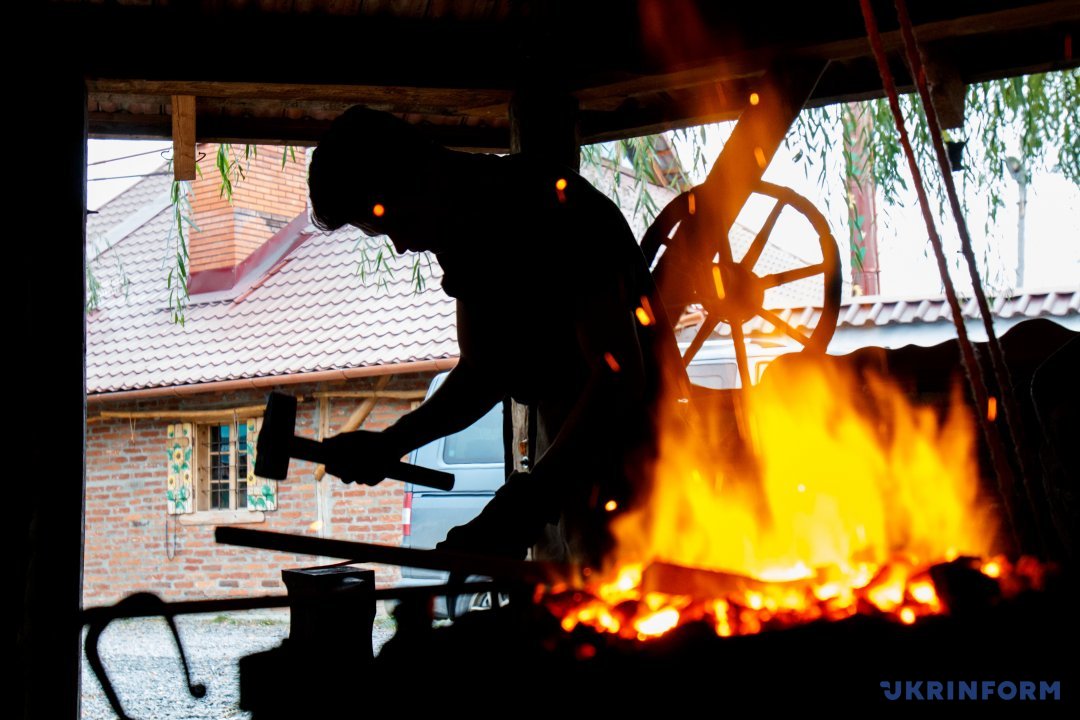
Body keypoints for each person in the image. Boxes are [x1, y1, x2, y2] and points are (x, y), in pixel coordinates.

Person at [309, 106, 682, 565]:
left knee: (636, 618)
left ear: (414, 172)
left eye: (391, 220)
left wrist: (525, 502)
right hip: (566, 459)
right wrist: (389, 445)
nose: (402, 245)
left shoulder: (549, 206)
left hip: (647, 467)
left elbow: (619, 379)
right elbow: (484, 372)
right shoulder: (470, 239)